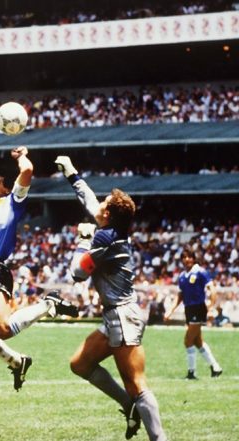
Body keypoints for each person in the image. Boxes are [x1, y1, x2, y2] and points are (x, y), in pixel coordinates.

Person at [55, 155, 166, 440]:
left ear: (108, 216)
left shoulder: (105, 239)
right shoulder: (111, 229)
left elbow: (77, 273)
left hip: (122, 316)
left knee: (137, 383)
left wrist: (81, 241)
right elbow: (91, 202)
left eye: (104, 205)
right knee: (80, 363)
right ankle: (129, 407)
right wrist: (72, 173)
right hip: (115, 314)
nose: (99, 205)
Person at [0, 146, 78, 391]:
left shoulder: (13, 202)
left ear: (6, 188)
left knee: (4, 329)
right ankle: (17, 362)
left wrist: (21, 157)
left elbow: (28, 170)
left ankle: (48, 304)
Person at [164, 249, 223, 379]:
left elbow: (212, 290)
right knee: (197, 341)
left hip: (198, 308)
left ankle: (191, 372)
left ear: (193, 258)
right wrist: (170, 310)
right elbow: (180, 296)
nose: (187, 259)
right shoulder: (182, 276)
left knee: (187, 340)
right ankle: (216, 367)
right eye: (184, 257)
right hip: (189, 309)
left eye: (189, 257)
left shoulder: (200, 272)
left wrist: (211, 308)